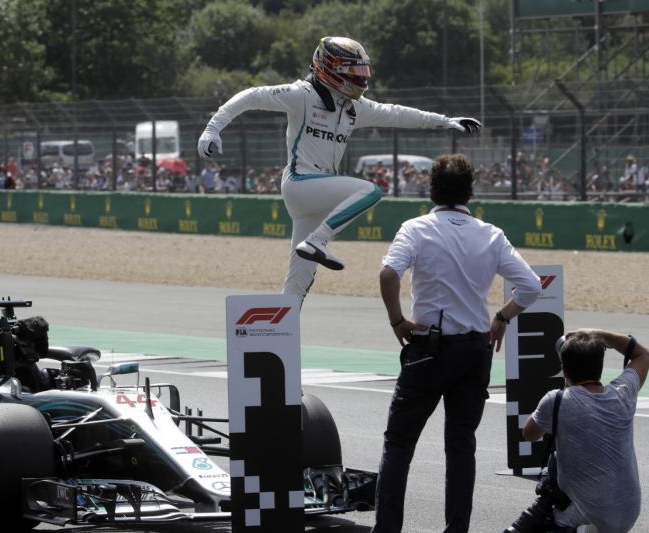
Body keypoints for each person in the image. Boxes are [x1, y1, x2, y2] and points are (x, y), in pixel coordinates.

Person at [197, 36, 481, 304]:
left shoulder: (353, 106)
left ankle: (279, 340)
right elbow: (251, 96)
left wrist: (444, 121)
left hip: (316, 194)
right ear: (329, 69)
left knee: (298, 284)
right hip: (300, 183)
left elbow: (396, 113)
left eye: (362, 71)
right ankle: (318, 240)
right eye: (353, 71)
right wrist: (212, 128)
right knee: (370, 190)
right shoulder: (301, 95)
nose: (361, 78)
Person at [374, 154, 541, 533]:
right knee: (461, 445)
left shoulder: (416, 228)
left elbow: (388, 274)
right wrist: (502, 317)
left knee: (399, 444)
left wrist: (397, 320)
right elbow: (531, 287)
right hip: (473, 350)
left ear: (431, 189)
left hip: (428, 350)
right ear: (470, 192)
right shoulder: (490, 234)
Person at [512, 329, 647, 532]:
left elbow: (529, 433)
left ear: (565, 371)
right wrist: (599, 334)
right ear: (600, 367)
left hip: (588, 511)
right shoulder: (622, 394)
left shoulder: (556, 400)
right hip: (627, 509)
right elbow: (642, 354)